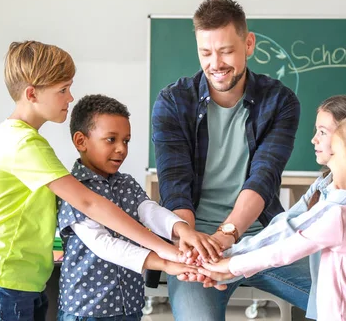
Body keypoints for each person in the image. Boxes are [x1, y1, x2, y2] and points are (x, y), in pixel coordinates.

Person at [0, 41, 193, 321]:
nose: (70, 97)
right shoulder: (22, 143)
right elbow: (89, 203)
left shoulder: (24, 139)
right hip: (3, 281)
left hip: (22, 280)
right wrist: (164, 250)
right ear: (31, 94)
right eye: (62, 90)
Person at [148, 0, 305, 320]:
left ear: (248, 44)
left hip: (260, 238)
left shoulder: (279, 101)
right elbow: (174, 184)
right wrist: (194, 246)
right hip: (196, 241)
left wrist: (226, 236)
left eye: (226, 51)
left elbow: (263, 178)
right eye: (206, 53)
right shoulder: (173, 102)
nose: (215, 63)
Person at [200, 112, 346, 321]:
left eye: (334, 153)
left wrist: (227, 266)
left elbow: (280, 253)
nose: (330, 164)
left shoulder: (341, 218)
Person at [56, 94, 224, 320]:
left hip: (130, 305)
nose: (121, 149)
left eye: (125, 141)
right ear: (81, 141)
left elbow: (149, 211)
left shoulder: (125, 183)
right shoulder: (72, 190)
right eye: (111, 139)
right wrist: (165, 262)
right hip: (87, 309)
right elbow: (105, 245)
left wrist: (183, 230)